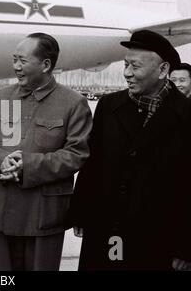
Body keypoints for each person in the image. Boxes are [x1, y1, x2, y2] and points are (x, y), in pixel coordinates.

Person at [69, 30, 191, 270]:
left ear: (163, 70)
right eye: (125, 65)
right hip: (106, 225)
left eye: (134, 66)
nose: (127, 73)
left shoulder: (186, 115)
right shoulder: (109, 106)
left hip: (158, 234)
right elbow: (93, 162)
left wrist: (186, 246)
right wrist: (81, 210)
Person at [0, 32, 93, 271]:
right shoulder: (2, 96)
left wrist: (27, 165)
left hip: (44, 214)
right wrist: (2, 161)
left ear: (46, 64)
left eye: (22, 61)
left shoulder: (73, 103)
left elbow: (77, 153)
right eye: (14, 59)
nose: (15, 67)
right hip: (4, 207)